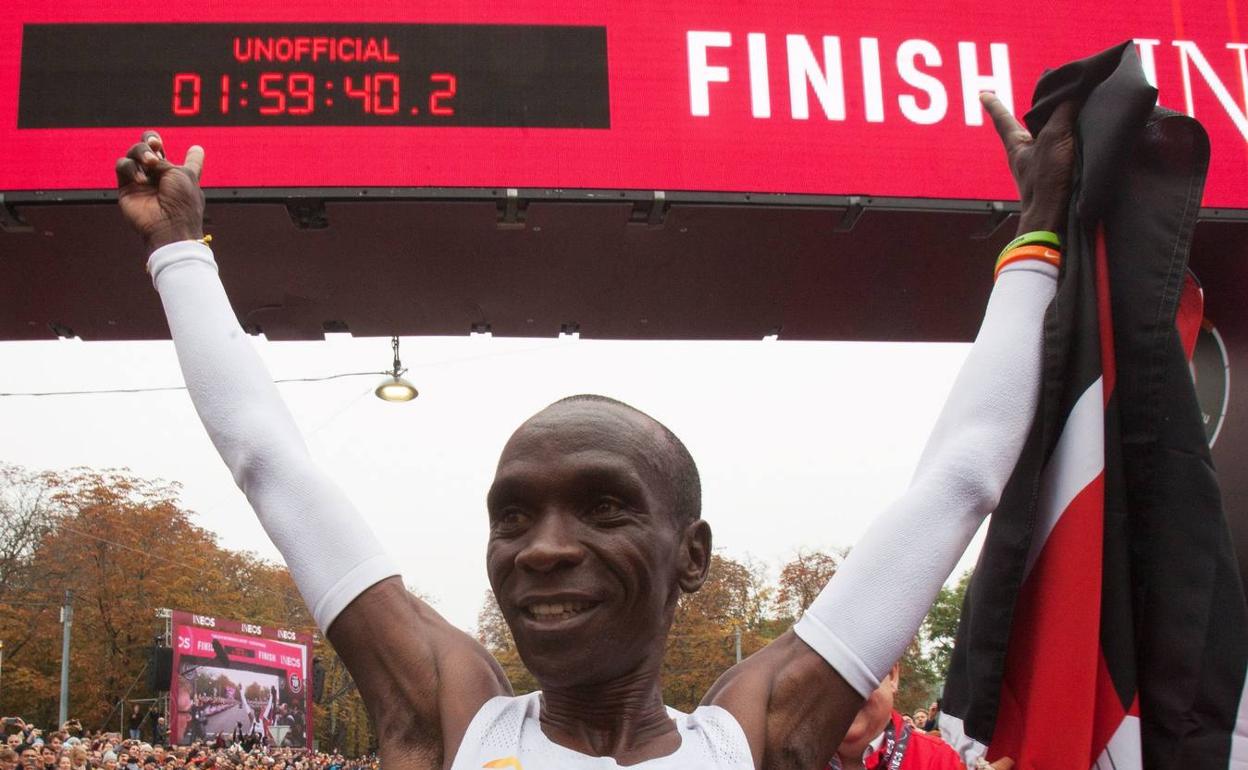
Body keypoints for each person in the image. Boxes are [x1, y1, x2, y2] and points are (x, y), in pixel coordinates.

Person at [113, 90, 1073, 769]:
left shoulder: (754, 739)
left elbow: (959, 481)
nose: (543, 549)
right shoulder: (450, 720)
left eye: (603, 506)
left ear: (691, 555)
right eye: (513, 516)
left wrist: (1039, 236)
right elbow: (271, 464)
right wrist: (180, 256)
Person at [827, 665, 960, 770]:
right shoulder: (805, 758)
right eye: (818, 677)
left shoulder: (943, 761)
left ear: (892, 676)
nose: (840, 692)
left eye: (854, 672)